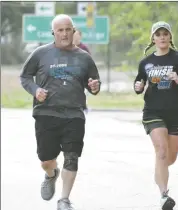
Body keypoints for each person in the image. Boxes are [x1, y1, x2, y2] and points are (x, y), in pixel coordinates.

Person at [20, 14, 101, 210]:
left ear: (73, 31)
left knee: (72, 156)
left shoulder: (84, 57)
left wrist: (95, 86)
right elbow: (25, 77)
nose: (64, 34)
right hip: (46, 113)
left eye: (68, 29)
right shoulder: (40, 53)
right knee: (46, 160)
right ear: (53, 33)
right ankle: (51, 174)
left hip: (74, 114)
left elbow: (93, 84)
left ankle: (64, 200)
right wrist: (35, 90)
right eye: (60, 30)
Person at [134, 21, 178, 210]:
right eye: (158, 34)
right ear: (153, 38)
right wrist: (137, 87)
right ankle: (164, 195)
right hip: (153, 111)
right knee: (161, 151)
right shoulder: (145, 63)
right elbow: (139, 83)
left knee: (169, 158)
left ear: (170, 37)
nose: (162, 37)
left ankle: (159, 171)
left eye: (165, 34)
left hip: (176, 113)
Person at [73, 29, 91, 113]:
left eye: (77, 36)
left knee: (82, 91)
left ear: (80, 36)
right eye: (74, 35)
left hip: (82, 74)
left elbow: (89, 61)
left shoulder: (84, 48)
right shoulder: (69, 48)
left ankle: (83, 106)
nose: (76, 37)